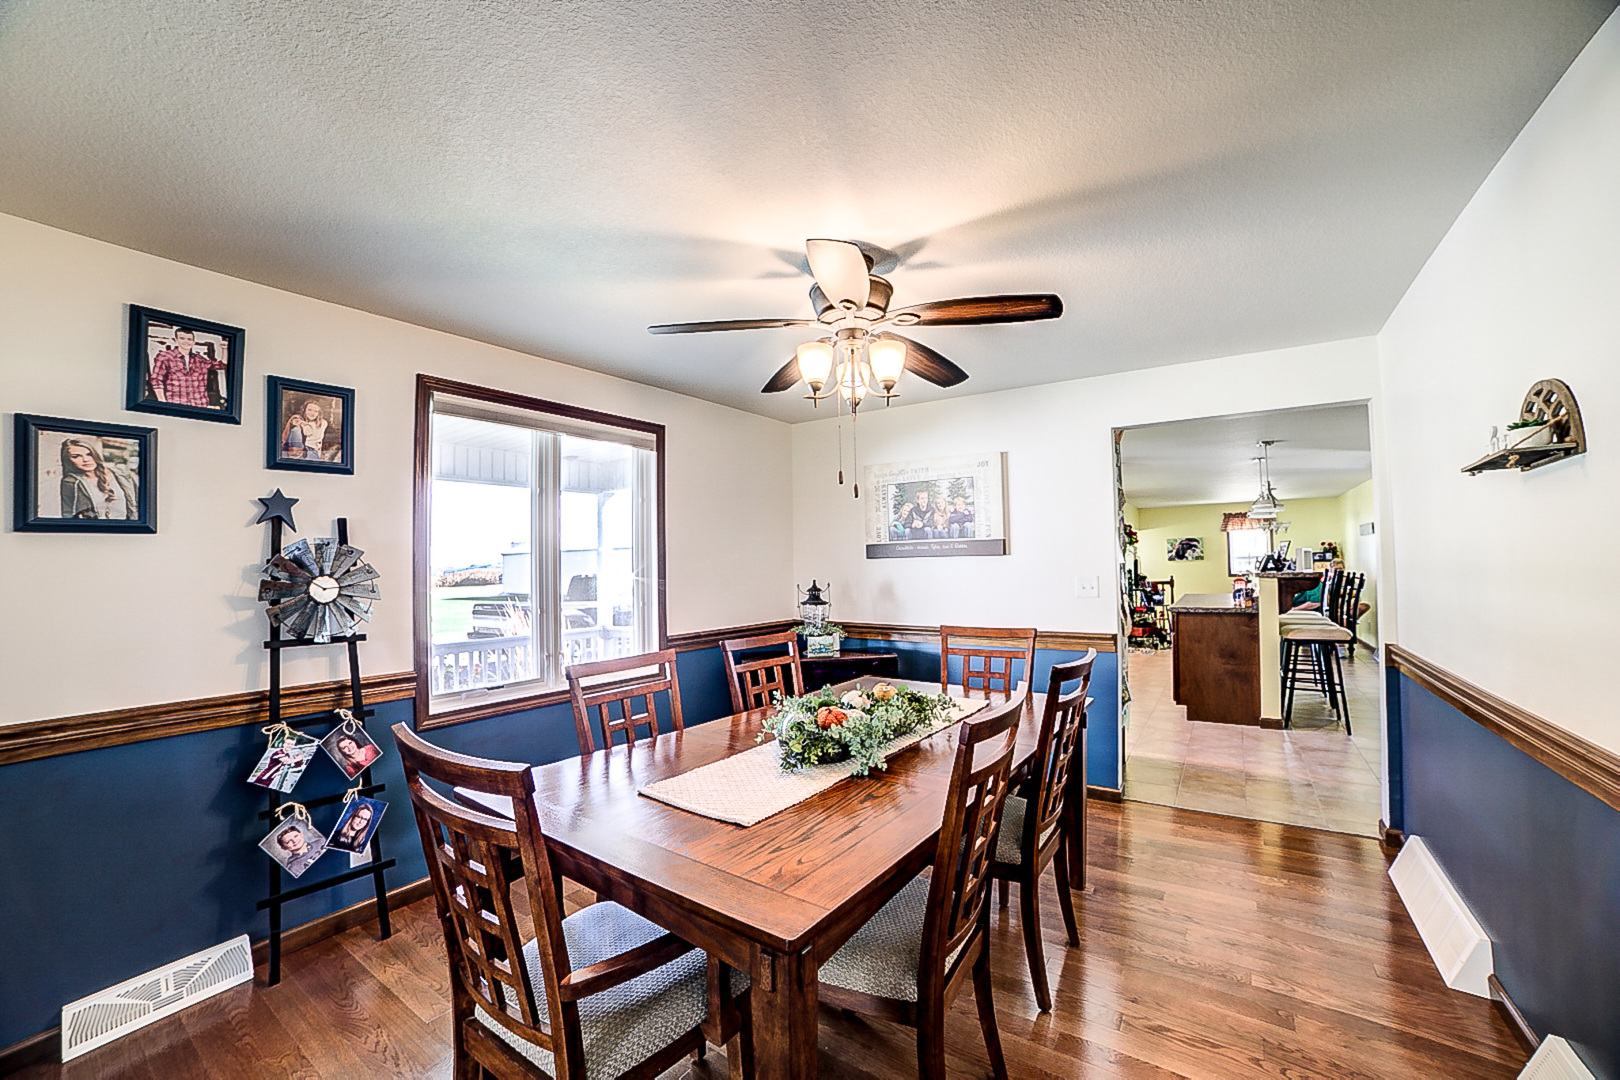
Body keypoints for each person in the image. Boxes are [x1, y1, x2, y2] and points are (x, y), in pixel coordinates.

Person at [58, 437, 138, 520]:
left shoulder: (122, 475)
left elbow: (138, 504)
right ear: (68, 460)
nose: (86, 460)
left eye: (89, 454)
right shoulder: (71, 482)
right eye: (76, 456)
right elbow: (68, 514)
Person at [146, 326, 226, 408]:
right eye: (182, 338)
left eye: (189, 339)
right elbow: (156, 379)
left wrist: (224, 349)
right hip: (176, 404)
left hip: (199, 405)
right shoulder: (165, 357)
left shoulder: (199, 359)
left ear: (193, 342)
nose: (186, 342)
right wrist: (162, 401)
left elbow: (221, 365)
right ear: (176, 340)